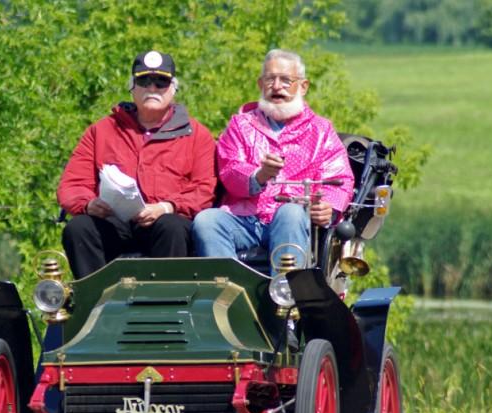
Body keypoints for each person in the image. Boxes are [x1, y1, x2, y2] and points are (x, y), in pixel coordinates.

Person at [192, 49, 354, 272]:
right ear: (260, 84)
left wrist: (330, 208)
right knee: (206, 221)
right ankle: (228, 293)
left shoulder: (321, 130)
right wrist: (260, 175)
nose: (277, 87)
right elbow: (229, 170)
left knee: (290, 212)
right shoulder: (241, 125)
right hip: (244, 218)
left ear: (303, 86)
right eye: (270, 79)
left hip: (293, 222)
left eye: (286, 80)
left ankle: (285, 294)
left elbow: (340, 178)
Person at [58, 51, 216, 279]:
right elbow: (72, 184)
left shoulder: (196, 134)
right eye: (144, 81)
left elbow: (205, 189)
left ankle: (169, 304)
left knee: (172, 227)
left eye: (161, 82)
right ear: (132, 86)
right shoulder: (101, 131)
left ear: (173, 88)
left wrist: (166, 207)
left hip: (165, 221)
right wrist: (88, 204)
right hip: (113, 222)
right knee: (78, 228)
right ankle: (95, 303)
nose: (152, 88)